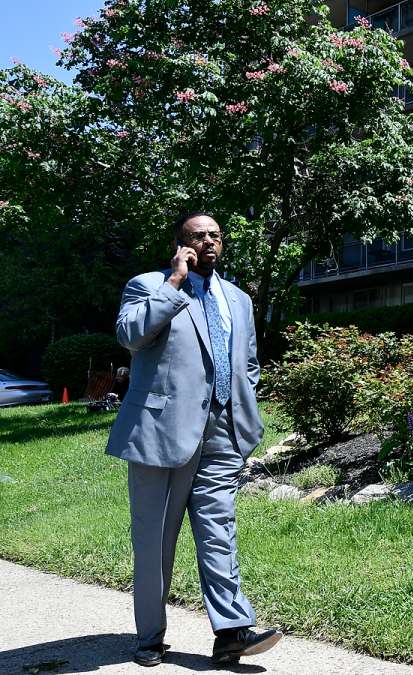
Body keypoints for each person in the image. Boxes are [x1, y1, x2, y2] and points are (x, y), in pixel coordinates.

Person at [105, 212, 280, 667]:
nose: (208, 242)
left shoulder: (238, 298)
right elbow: (131, 335)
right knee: (155, 541)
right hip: (160, 433)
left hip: (224, 432)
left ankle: (232, 632)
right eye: (198, 236)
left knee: (218, 531)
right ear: (180, 244)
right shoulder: (149, 285)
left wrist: (243, 403)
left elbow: (248, 362)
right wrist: (175, 283)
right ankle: (149, 636)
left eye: (215, 235)